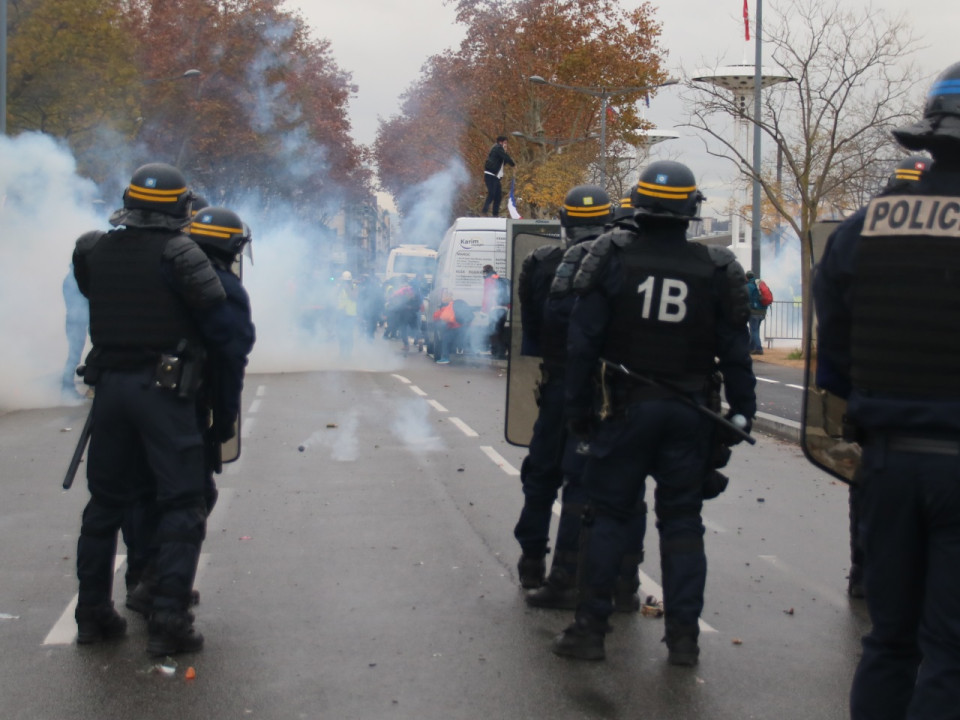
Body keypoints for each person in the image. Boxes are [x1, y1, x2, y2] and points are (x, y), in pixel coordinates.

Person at [554, 160, 756, 665]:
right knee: (683, 523)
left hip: (625, 412)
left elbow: (581, 343)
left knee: (609, 519)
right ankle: (684, 641)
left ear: (636, 206)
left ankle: (590, 631)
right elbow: (736, 351)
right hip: (690, 415)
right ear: (692, 210)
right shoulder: (717, 267)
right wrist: (741, 415)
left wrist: (577, 410)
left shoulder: (609, 255)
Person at [813, 62, 960, 720]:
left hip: (888, 462)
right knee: (950, 654)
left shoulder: (867, 225)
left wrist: (860, 394)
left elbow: (834, 325)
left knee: (891, 643)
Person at [71, 162, 237, 656]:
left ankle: (93, 614)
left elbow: (91, 292)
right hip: (164, 392)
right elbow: (216, 319)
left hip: (110, 391)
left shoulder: (92, 247)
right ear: (181, 207)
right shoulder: (180, 252)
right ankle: (168, 620)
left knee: (104, 505)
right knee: (182, 504)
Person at [513, 185, 647, 612]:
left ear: (564, 222)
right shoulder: (622, 263)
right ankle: (621, 579)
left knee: (541, 476)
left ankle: (533, 561)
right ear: (608, 219)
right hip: (612, 390)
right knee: (613, 484)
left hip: (557, 386)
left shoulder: (538, 263)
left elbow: (532, 335)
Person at [124, 205, 256, 618]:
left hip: (125, 397)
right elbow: (230, 355)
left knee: (140, 492)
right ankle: (163, 589)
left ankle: (141, 576)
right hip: (180, 405)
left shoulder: (155, 269)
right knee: (191, 496)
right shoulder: (218, 285)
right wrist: (226, 417)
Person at [845, 153, 929, 601]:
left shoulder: (863, 229)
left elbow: (833, 310)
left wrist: (846, 392)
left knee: (870, 494)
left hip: (882, 414)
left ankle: (865, 572)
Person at [61, 264, 89, 402]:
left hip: (76, 322)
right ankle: (67, 388)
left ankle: (68, 388)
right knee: (75, 356)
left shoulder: (69, 279)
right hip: (78, 321)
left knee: (74, 355)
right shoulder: (74, 280)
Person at [481, 136, 515, 217]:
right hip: (490, 175)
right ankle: (484, 211)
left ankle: (495, 214)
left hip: (495, 177)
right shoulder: (497, 148)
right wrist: (513, 165)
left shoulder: (500, 151)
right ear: (501, 142)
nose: (506, 145)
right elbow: (506, 158)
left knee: (498, 196)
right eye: (505, 143)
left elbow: (503, 162)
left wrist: (506, 153)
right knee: (492, 193)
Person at [481, 264, 509, 359]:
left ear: (486, 272)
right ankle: (501, 351)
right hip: (504, 308)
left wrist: (483, 312)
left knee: (493, 331)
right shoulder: (499, 279)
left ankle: (496, 352)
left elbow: (487, 297)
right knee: (500, 331)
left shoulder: (489, 280)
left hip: (494, 309)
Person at [431, 291, 464, 364]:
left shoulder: (446, 308)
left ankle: (445, 358)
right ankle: (475, 351)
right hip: (464, 327)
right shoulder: (457, 305)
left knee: (445, 340)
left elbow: (436, 317)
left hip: (454, 327)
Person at [336, 271, 358, 358]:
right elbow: (334, 297)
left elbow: (354, 297)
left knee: (349, 335)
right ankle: (342, 353)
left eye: (347, 281)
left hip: (350, 315)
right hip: (341, 315)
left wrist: (347, 288)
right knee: (340, 335)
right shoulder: (339, 287)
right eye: (344, 281)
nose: (346, 283)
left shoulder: (354, 287)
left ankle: (348, 354)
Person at [745, 270, 765, 355]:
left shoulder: (749, 286)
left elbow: (746, 298)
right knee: (755, 329)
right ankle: (751, 348)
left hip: (754, 312)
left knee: (754, 330)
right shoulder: (758, 284)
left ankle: (759, 348)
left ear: (746, 277)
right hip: (762, 312)